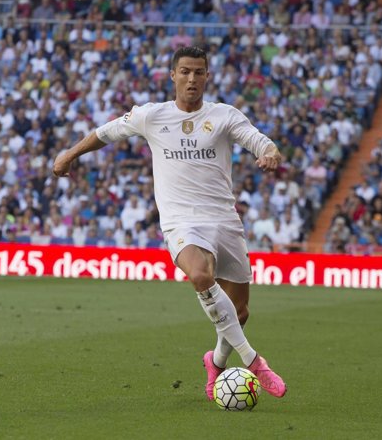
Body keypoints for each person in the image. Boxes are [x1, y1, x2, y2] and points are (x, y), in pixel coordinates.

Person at [53, 46, 287, 400]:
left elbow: (260, 142)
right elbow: (106, 132)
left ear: (207, 77)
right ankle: (254, 361)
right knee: (200, 274)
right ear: (173, 75)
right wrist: (69, 155)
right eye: (186, 72)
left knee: (239, 312)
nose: (192, 79)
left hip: (224, 220)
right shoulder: (152, 116)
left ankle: (216, 361)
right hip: (181, 221)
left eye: (198, 72)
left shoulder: (224, 116)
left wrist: (269, 155)